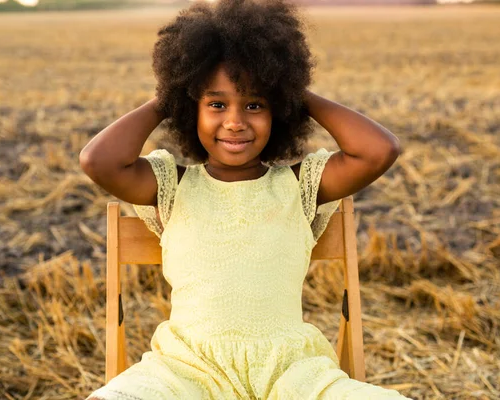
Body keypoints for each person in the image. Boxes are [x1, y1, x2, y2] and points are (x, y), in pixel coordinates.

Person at [79, 1, 411, 399]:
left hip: (290, 373)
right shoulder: (171, 187)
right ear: (191, 110)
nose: (235, 121)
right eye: (216, 104)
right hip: (183, 372)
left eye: (255, 104)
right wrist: (169, 96)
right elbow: (97, 160)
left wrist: (292, 91)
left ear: (279, 113)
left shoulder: (300, 186)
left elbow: (379, 150)